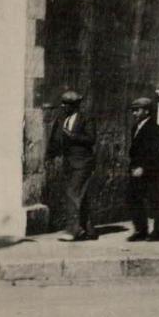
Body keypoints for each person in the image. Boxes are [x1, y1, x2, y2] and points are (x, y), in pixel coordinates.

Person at [47, 90, 97, 241]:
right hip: (68, 162)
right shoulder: (61, 118)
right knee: (80, 195)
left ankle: (73, 230)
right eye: (62, 103)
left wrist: (73, 136)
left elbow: (91, 139)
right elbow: (54, 138)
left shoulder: (86, 118)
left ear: (75, 105)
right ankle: (88, 230)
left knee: (72, 193)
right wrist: (50, 155)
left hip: (83, 162)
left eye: (66, 104)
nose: (63, 106)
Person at [126, 96, 159, 241]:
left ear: (147, 111)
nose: (134, 113)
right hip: (137, 170)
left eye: (137, 110)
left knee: (155, 200)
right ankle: (141, 230)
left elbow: (153, 151)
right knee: (134, 199)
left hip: (152, 170)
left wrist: (143, 167)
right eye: (133, 111)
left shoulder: (154, 129)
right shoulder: (135, 128)